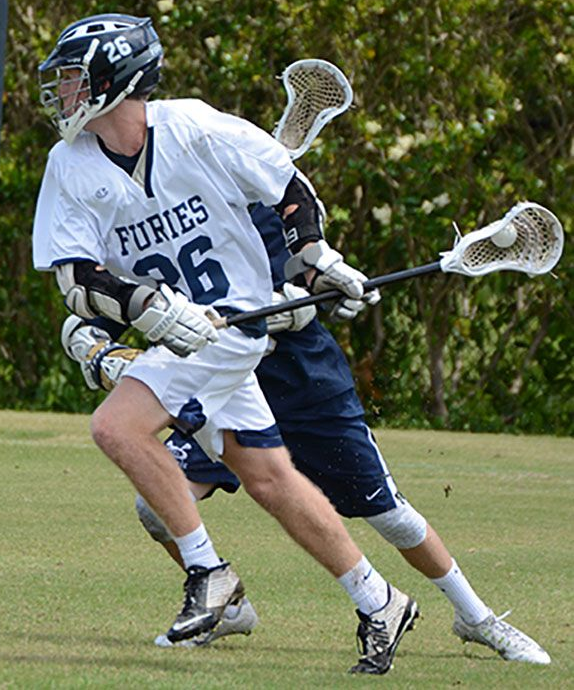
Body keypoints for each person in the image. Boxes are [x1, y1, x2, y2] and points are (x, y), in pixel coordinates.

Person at [33, 12, 417, 675]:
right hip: (185, 333)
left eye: (73, 79)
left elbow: (286, 186)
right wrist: (151, 310)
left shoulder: (193, 126)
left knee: (117, 427)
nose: (63, 93)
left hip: (234, 324)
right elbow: (77, 277)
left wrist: (316, 257)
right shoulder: (68, 164)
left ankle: (209, 574)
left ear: (114, 79)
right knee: (269, 479)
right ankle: (380, 599)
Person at [62, 201, 551, 665]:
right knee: (155, 508)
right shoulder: (167, 215)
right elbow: (95, 316)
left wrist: (297, 303)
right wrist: (97, 348)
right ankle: (228, 607)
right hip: (224, 393)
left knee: (391, 517)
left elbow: (309, 290)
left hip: (307, 390)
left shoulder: (266, 210)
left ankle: (477, 618)